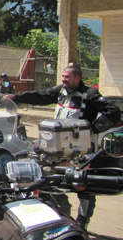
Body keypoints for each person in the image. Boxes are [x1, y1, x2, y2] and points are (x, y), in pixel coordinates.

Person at [7, 64, 121, 229]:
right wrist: (15, 98)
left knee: (82, 185)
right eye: (62, 77)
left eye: (67, 77)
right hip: (58, 150)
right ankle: (59, 214)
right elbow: (40, 96)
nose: (63, 80)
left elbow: (113, 111)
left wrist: (94, 129)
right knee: (46, 178)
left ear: (77, 78)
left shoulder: (89, 94)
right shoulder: (60, 92)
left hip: (81, 151)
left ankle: (82, 222)